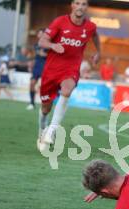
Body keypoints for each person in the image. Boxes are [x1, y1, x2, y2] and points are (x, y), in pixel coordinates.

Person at [36, 0, 100, 151]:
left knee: (67, 91)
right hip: (51, 70)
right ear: (72, 5)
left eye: (84, 4)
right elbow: (42, 41)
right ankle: (42, 130)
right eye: (77, 3)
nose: (80, 7)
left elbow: (95, 36)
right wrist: (53, 45)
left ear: (86, 7)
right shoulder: (60, 22)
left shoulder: (90, 26)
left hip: (71, 68)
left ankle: (52, 130)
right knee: (45, 108)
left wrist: (99, 52)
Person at [27, 29, 48, 110]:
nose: (39, 35)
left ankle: (44, 104)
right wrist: (31, 65)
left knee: (44, 87)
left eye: (41, 33)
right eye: (39, 33)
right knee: (32, 83)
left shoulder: (48, 45)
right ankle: (32, 103)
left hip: (45, 68)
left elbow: (44, 54)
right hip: (37, 67)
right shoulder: (36, 45)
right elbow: (40, 54)